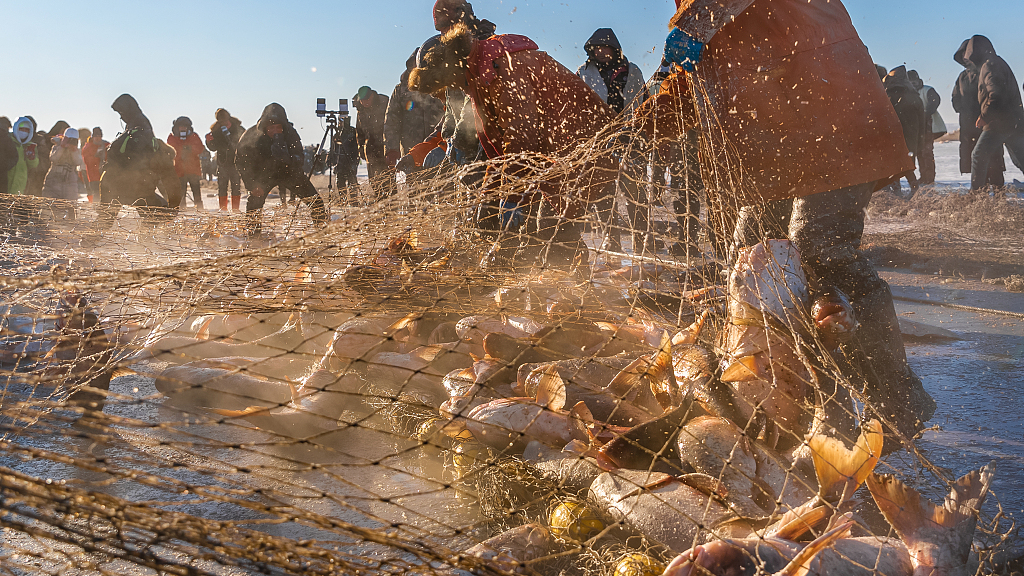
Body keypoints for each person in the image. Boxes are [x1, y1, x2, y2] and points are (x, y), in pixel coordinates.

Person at [661, 0, 935, 440]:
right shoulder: (698, 15)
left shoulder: (703, 12)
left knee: (818, 248)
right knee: (750, 256)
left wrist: (695, 21)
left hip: (835, 117)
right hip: (778, 144)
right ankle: (794, 397)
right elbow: (688, 85)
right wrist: (636, 124)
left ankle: (898, 399)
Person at [409, 23, 617, 273]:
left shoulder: (502, 67)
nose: (456, 91)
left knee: (549, 229)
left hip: (585, 149)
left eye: (452, 85)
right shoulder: (479, 72)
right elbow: (500, 149)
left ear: (454, 68)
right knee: (545, 229)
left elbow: (521, 139)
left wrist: (510, 197)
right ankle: (568, 287)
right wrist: (489, 195)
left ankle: (576, 298)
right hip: (553, 158)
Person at [576, 28, 652, 254]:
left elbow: (644, 102)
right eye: (596, 48)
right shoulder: (583, 72)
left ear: (614, 49)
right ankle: (612, 238)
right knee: (603, 193)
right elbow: (577, 104)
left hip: (631, 136)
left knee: (635, 191)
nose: (600, 51)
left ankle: (643, 240)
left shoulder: (633, 71)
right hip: (598, 139)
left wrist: (643, 134)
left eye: (604, 47)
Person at [234, 103, 328, 236]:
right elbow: (241, 162)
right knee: (254, 204)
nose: (275, 130)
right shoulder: (251, 135)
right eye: (271, 127)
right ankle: (253, 238)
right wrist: (252, 185)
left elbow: (299, 156)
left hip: (288, 172)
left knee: (316, 201)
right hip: (262, 174)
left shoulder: (291, 134)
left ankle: (321, 234)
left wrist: (288, 159)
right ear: (265, 127)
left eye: (279, 127)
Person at [99, 94, 181, 224]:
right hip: (138, 189)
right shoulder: (159, 154)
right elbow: (172, 186)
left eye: (122, 112)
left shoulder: (137, 130)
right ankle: (145, 241)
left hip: (111, 183)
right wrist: (173, 209)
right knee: (155, 217)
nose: (121, 117)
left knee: (105, 221)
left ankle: (87, 241)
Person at [964, 35, 1024, 192]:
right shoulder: (995, 62)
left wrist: (985, 117)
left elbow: (996, 95)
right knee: (1021, 160)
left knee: (978, 155)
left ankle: (976, 197)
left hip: (1000, 122)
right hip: (1012, 120)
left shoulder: (990, 65)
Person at [952, 39, 1004, 187]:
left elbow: (993, 93)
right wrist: (962, 109)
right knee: (975, 158)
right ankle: (980, 193)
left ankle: (997, 192)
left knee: (992, 157)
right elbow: (955, 97)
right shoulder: (961, 77)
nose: (965, 58)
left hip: (987, 120)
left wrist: (985, 113)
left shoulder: (986, 70)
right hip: (968, 123)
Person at [384, 51, 445, 168]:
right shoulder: (401, 90)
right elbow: (392, 121)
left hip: (438, 148)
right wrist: (391, 149)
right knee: (414, 185)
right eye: (415, 65)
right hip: (410, 151)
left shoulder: (439, 85)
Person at [883, 66, 925, 197]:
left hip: (895, 136)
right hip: (911, 138)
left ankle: (898, 192)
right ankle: (913, 189)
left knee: (894, 166)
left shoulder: (889, 95)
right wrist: (920, 140)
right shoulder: (914, 96)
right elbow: (922, 122)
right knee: (906, 165)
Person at [353, 86, 393, 201]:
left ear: (372, 96)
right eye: (362, 100)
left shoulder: (384, 103)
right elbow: (359, 131)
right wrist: (360, 147)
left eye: (366, 99)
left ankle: (392, 205)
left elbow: (393, 123)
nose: (364, 102)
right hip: (370, 149)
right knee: (374, 180)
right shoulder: (360, 109)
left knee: (388, 179)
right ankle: (380, 202)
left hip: (385, 146)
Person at [908, 70, 946, 186]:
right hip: (918, 128)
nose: (913, 84)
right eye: (910, 82)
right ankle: (924, 177)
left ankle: (929, 179)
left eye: (914, 81)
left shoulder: (927, 90)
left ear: (918, 80)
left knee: (926, 153)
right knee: (920, 153)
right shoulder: (909, 93)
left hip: (930, 127)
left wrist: (925, 114)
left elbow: (934, 102)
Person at [205, 109, 244, 212]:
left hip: (236, 163)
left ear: (228, 118)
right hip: (222, 163)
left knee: (236, 186)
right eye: (221, 121)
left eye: (225, 120)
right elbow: (213, 148)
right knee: (222, 187)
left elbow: (245, 143)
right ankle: (223, 209)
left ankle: (236, 209)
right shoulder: (216, 131)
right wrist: (208, 141)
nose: (223, 123)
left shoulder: (238, 128)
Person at [42, 128, 84, 221]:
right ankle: (53, 222)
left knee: (71, 203)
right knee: (52, 202)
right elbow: (53, 158)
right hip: (54, 178)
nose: (71, 142)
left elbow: (78, 161)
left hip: (70, 180)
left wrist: (73, 151)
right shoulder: (56, 147)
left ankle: (71, 223)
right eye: (69, 139)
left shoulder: (76, 150)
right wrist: (61, 147)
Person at [166, 117, 206, 210]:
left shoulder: (194, 136)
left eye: (185, 126)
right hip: (179, 170)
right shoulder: (172, 137)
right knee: (181, 194)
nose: (183, 128)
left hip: (193, 170)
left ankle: (200, 211)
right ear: (177, 127)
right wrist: (182, 150)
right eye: (181, 126)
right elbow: (170, 151)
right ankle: (181, 211)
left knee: (197, 194)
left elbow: (200, 149)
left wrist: (189, 149)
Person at [332, 116, 360, 203]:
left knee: (352, 181)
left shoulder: (353, 132)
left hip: (351, 159)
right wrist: (331, 159)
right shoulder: (337, 133)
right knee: (340, 182)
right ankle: (343, 200)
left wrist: (355, 159)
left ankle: (353, 200)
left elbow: (357, 145)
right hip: (340, 161)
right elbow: (334, 147)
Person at [81, 127, 108, 202]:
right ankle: (96, 210)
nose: (97, 138)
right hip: (93, 176)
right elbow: (87, 161)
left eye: (99, 136)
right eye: (96, 136)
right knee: (96, 193)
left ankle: (104, 210)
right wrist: (98, 156)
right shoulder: (88, 147)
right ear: (92, 136)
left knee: (106, 193)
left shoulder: (106, 145)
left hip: (105, 175)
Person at [0, 117, 19, 196]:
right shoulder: (6, 138)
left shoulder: (6, 139)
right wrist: (4, 166)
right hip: (2, 176)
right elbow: (14, 157)